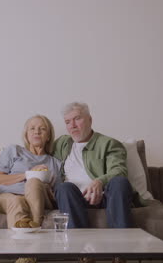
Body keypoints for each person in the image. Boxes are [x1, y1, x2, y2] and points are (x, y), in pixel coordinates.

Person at [53, 102, 133, 263]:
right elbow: (35, 147)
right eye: (68, 122)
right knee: (63, 188)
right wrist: (2, 153)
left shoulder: (109, 144)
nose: (72, 125)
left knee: (120, 182)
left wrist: (99, 182)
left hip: (105, 197)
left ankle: (120, 254)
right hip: (74, 199)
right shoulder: (63, 144)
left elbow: (119, 170)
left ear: (90, 120)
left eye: (77, 119)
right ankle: (84, 255)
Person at [0, 115, 62, 228]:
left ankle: (34, 226)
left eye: (42, 129)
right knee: (16, 201)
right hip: (6, 197)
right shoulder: (13, 151)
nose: (37, 132)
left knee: (34, 182)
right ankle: (28, 235)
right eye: (32, 128)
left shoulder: (54, 163)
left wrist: (43, 185)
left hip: (39, 198)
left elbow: (58, 195)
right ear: (26, 135)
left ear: (48, 136)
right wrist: (28, 174)